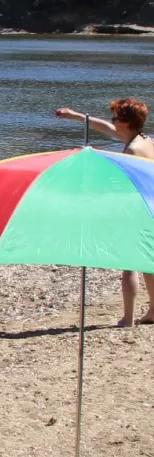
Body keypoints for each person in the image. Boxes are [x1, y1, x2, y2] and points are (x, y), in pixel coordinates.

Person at [55, 97, 154, 326]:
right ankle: (152, 311)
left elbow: (119, 179)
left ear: (127, 123)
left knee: (129, 265)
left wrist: (95, 156)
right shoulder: (145, 140)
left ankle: (127, 318)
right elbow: (108, 130)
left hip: (137, 209)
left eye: (116, 118)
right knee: (149, 263)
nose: (112, 122)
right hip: (150, 205)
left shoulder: (132, 149)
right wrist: (77, 116)